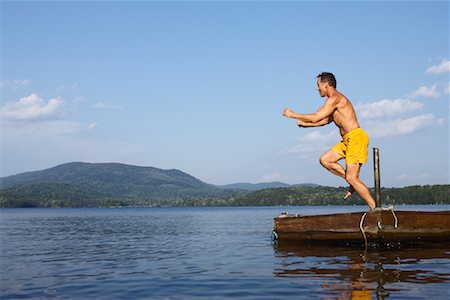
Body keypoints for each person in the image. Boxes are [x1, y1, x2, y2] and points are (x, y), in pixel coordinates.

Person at [282, 72, 376, 210]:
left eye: (318, 85)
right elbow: (324, 120)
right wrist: (305, 124)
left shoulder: (336, 98)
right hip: (347, 140)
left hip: (356, 138)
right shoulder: (332, 102)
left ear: (326, 85)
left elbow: (316, 116)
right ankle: (352, 182)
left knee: (352, 178)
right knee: (325, 160)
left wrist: (292, 114)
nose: (317, 88)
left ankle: (375, 208)